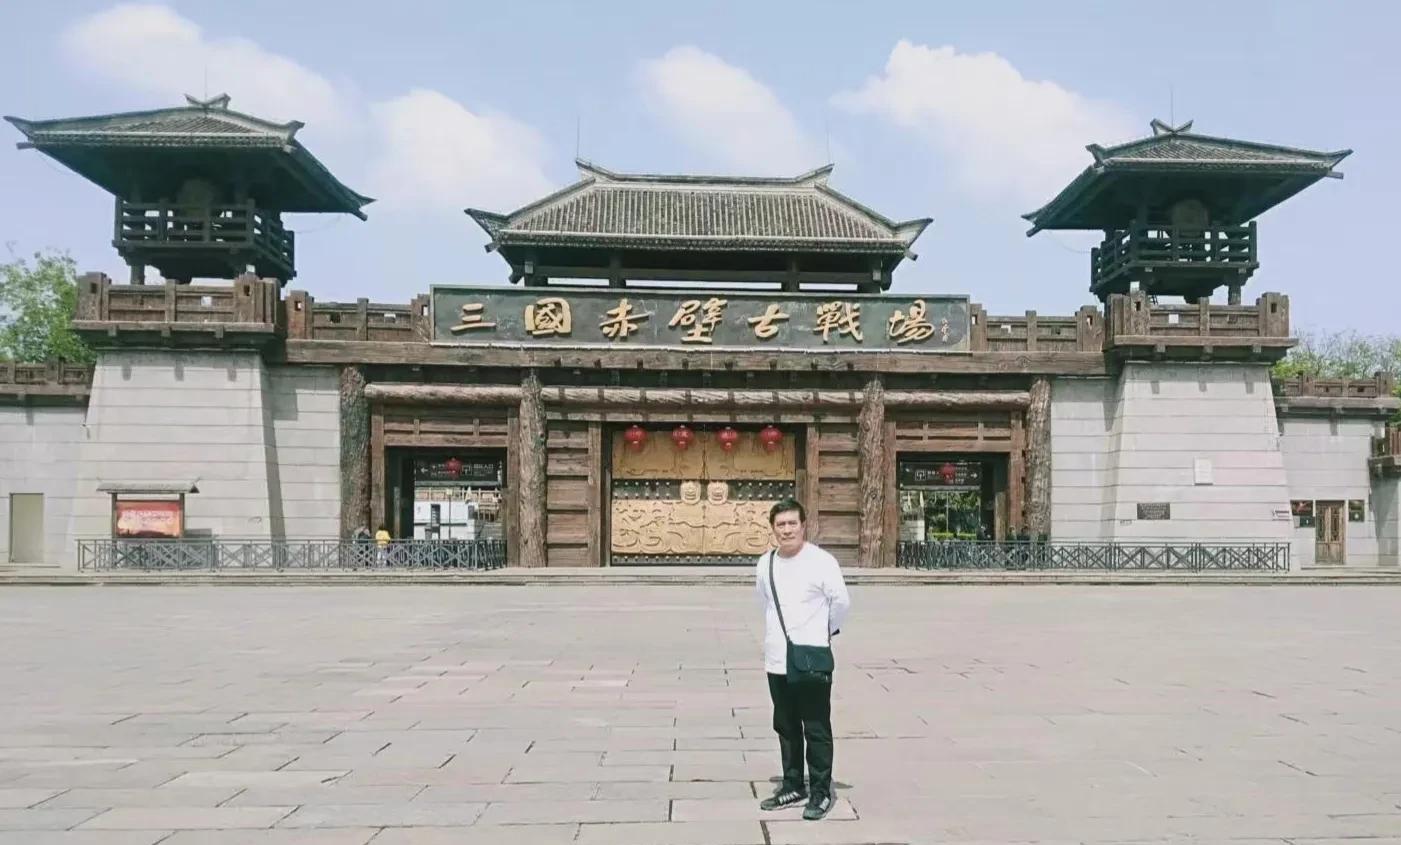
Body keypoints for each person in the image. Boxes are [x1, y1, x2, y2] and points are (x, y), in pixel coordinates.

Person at [755, 497, 850, 821]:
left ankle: (820, 791)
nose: (786, 530)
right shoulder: (765, 563)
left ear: (803, 525)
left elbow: (841, 603)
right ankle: (793, 784)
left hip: (811, 657)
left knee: (816, 726)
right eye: (780, 524)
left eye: (792, 523)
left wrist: (822, 633)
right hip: (777, 658)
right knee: (786, 725)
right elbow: (764, 603)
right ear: (773, 528)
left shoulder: (822, 562)